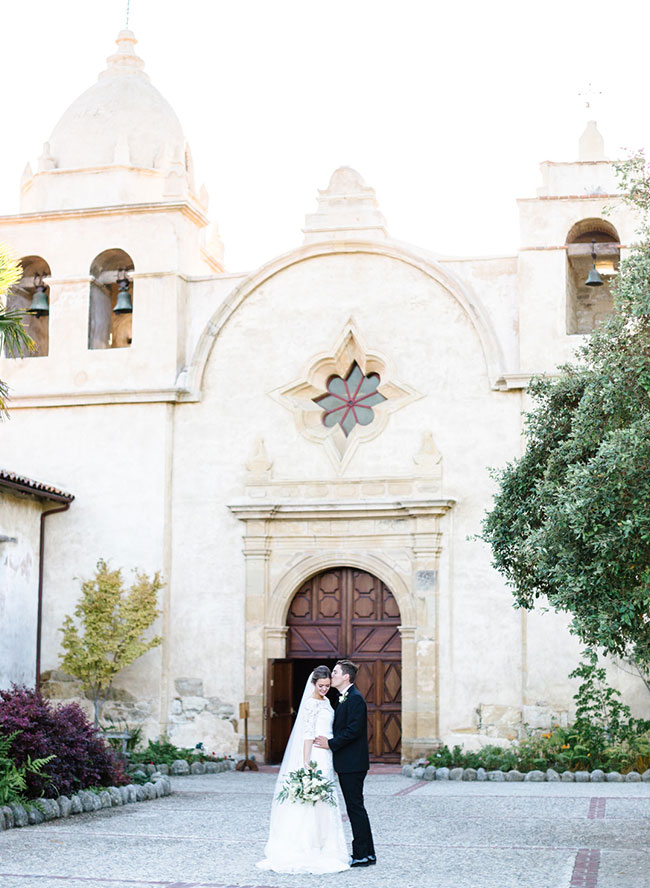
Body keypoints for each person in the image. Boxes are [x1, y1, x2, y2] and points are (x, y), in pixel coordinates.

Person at [256, 665, 349, 874]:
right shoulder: (310, 704)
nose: (325, 689)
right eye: (321, 686)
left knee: (326, 800)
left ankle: (327, 844)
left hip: (326, 755)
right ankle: (309, 845)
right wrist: (306, 763)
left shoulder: (326, 701)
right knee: (311, 802)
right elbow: (307, 734)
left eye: (327, 685)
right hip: (315, 754)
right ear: (313, 684)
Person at [314, 659, 376, 867]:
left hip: (353, 763)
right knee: (355, 807)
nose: (332, 676)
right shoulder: (344, 697)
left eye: (335, 672)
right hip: (349, 762)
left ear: (346, 676)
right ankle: (367, 853)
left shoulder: (355, 698)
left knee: (355, 808)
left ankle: (362, 854)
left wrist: (329, 743)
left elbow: (353, 731)